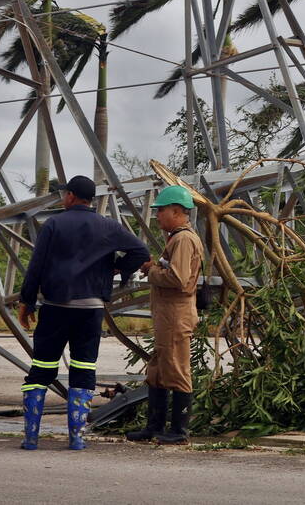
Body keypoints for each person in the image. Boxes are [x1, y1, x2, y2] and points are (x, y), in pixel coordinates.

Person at [18, 175, 150, 450]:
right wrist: (117, 268)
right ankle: (77, 439)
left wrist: (27, 301)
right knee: (83, 368)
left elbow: (36, 266)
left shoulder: (53, 224)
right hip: (90, 311)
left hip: (55, 308)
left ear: (70, 196)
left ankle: (31, 438)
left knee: (41, 368)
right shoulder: (107, 226)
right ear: (90, 200)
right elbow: (140, 250)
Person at [125, 185, 204, 445]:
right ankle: (154, 427)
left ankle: (179, 431)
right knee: (158, 370)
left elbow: (178, 278)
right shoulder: (178, 238)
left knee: (177, 370)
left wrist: (151, 272)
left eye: (161, 211)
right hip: (168, 316)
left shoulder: (183, 239)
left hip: (176, 315)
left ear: (177, 211)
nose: (157, 215)